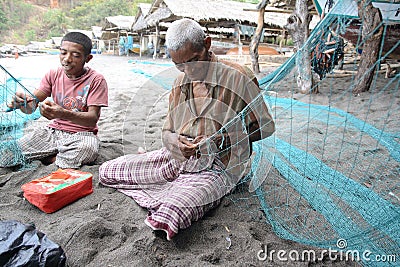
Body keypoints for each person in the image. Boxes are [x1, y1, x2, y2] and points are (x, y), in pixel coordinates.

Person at [99, 18, 275, 240]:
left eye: (194, 60)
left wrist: (224, 137)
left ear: (208, 44)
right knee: (108, 171)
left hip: (220, 167)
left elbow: (267, 127)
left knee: (172, 214)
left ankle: (177, 190)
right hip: (179, 159)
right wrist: (173, 142)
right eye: (179, 65)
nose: (188, 70)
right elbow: (167, 131)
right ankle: (174, 184)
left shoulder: (239, 77)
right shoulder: (180, 82)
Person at [0, 32, 108, 169]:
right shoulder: (53, 74)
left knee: (87, 149)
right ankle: (54, 157)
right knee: (7, 155)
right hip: (52, 132)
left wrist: (63, 113)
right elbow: (31, 106)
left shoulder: (96, 80)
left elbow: (92, 119)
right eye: (63, 53)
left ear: (88, 58)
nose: (67, 59)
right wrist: (21, 103)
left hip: (82, 135)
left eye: (75, 55)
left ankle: (50, 157)